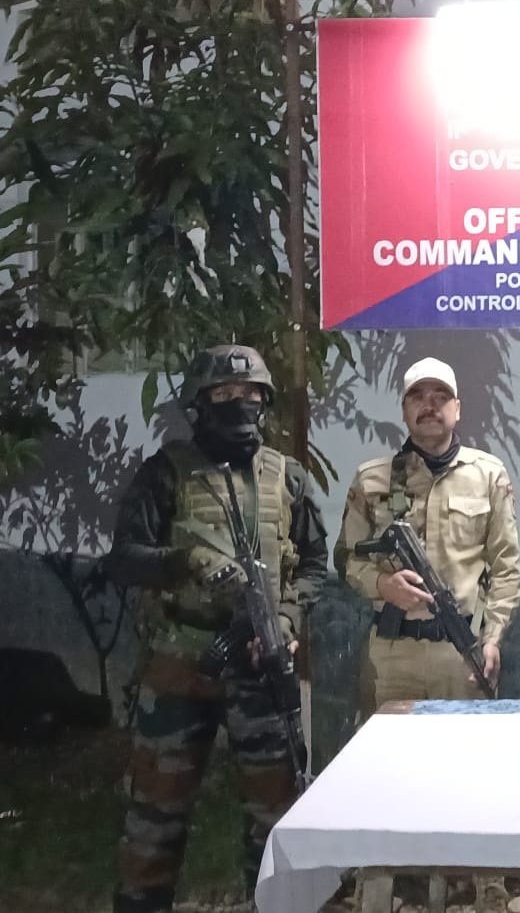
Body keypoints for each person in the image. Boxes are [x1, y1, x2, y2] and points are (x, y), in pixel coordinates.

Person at [105, 344, 328, 913]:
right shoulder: (165, 473)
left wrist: (285, 618)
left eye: (250, 394)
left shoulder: (288, 478)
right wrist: (185, 561)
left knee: (276, 815)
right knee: (156, 813)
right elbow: (124, 558)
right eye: (225, 394)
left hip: (261, 664)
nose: (239, 403)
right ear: (199, 404)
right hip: (180, 666)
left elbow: (314, 565)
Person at [333, 354, 520, 913]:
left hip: (460, 654)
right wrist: (382, 586)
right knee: (383, 777)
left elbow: (506, 568)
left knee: (472, 776)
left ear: (457, 408)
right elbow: (347, 559)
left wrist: (493, 637)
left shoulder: (488, 475)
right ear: (405, 409)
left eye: (441, 397)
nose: (430, 406)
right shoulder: (373, 479)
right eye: (419, 396)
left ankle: (485, 890)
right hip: (392, 655)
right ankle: (378, 891)